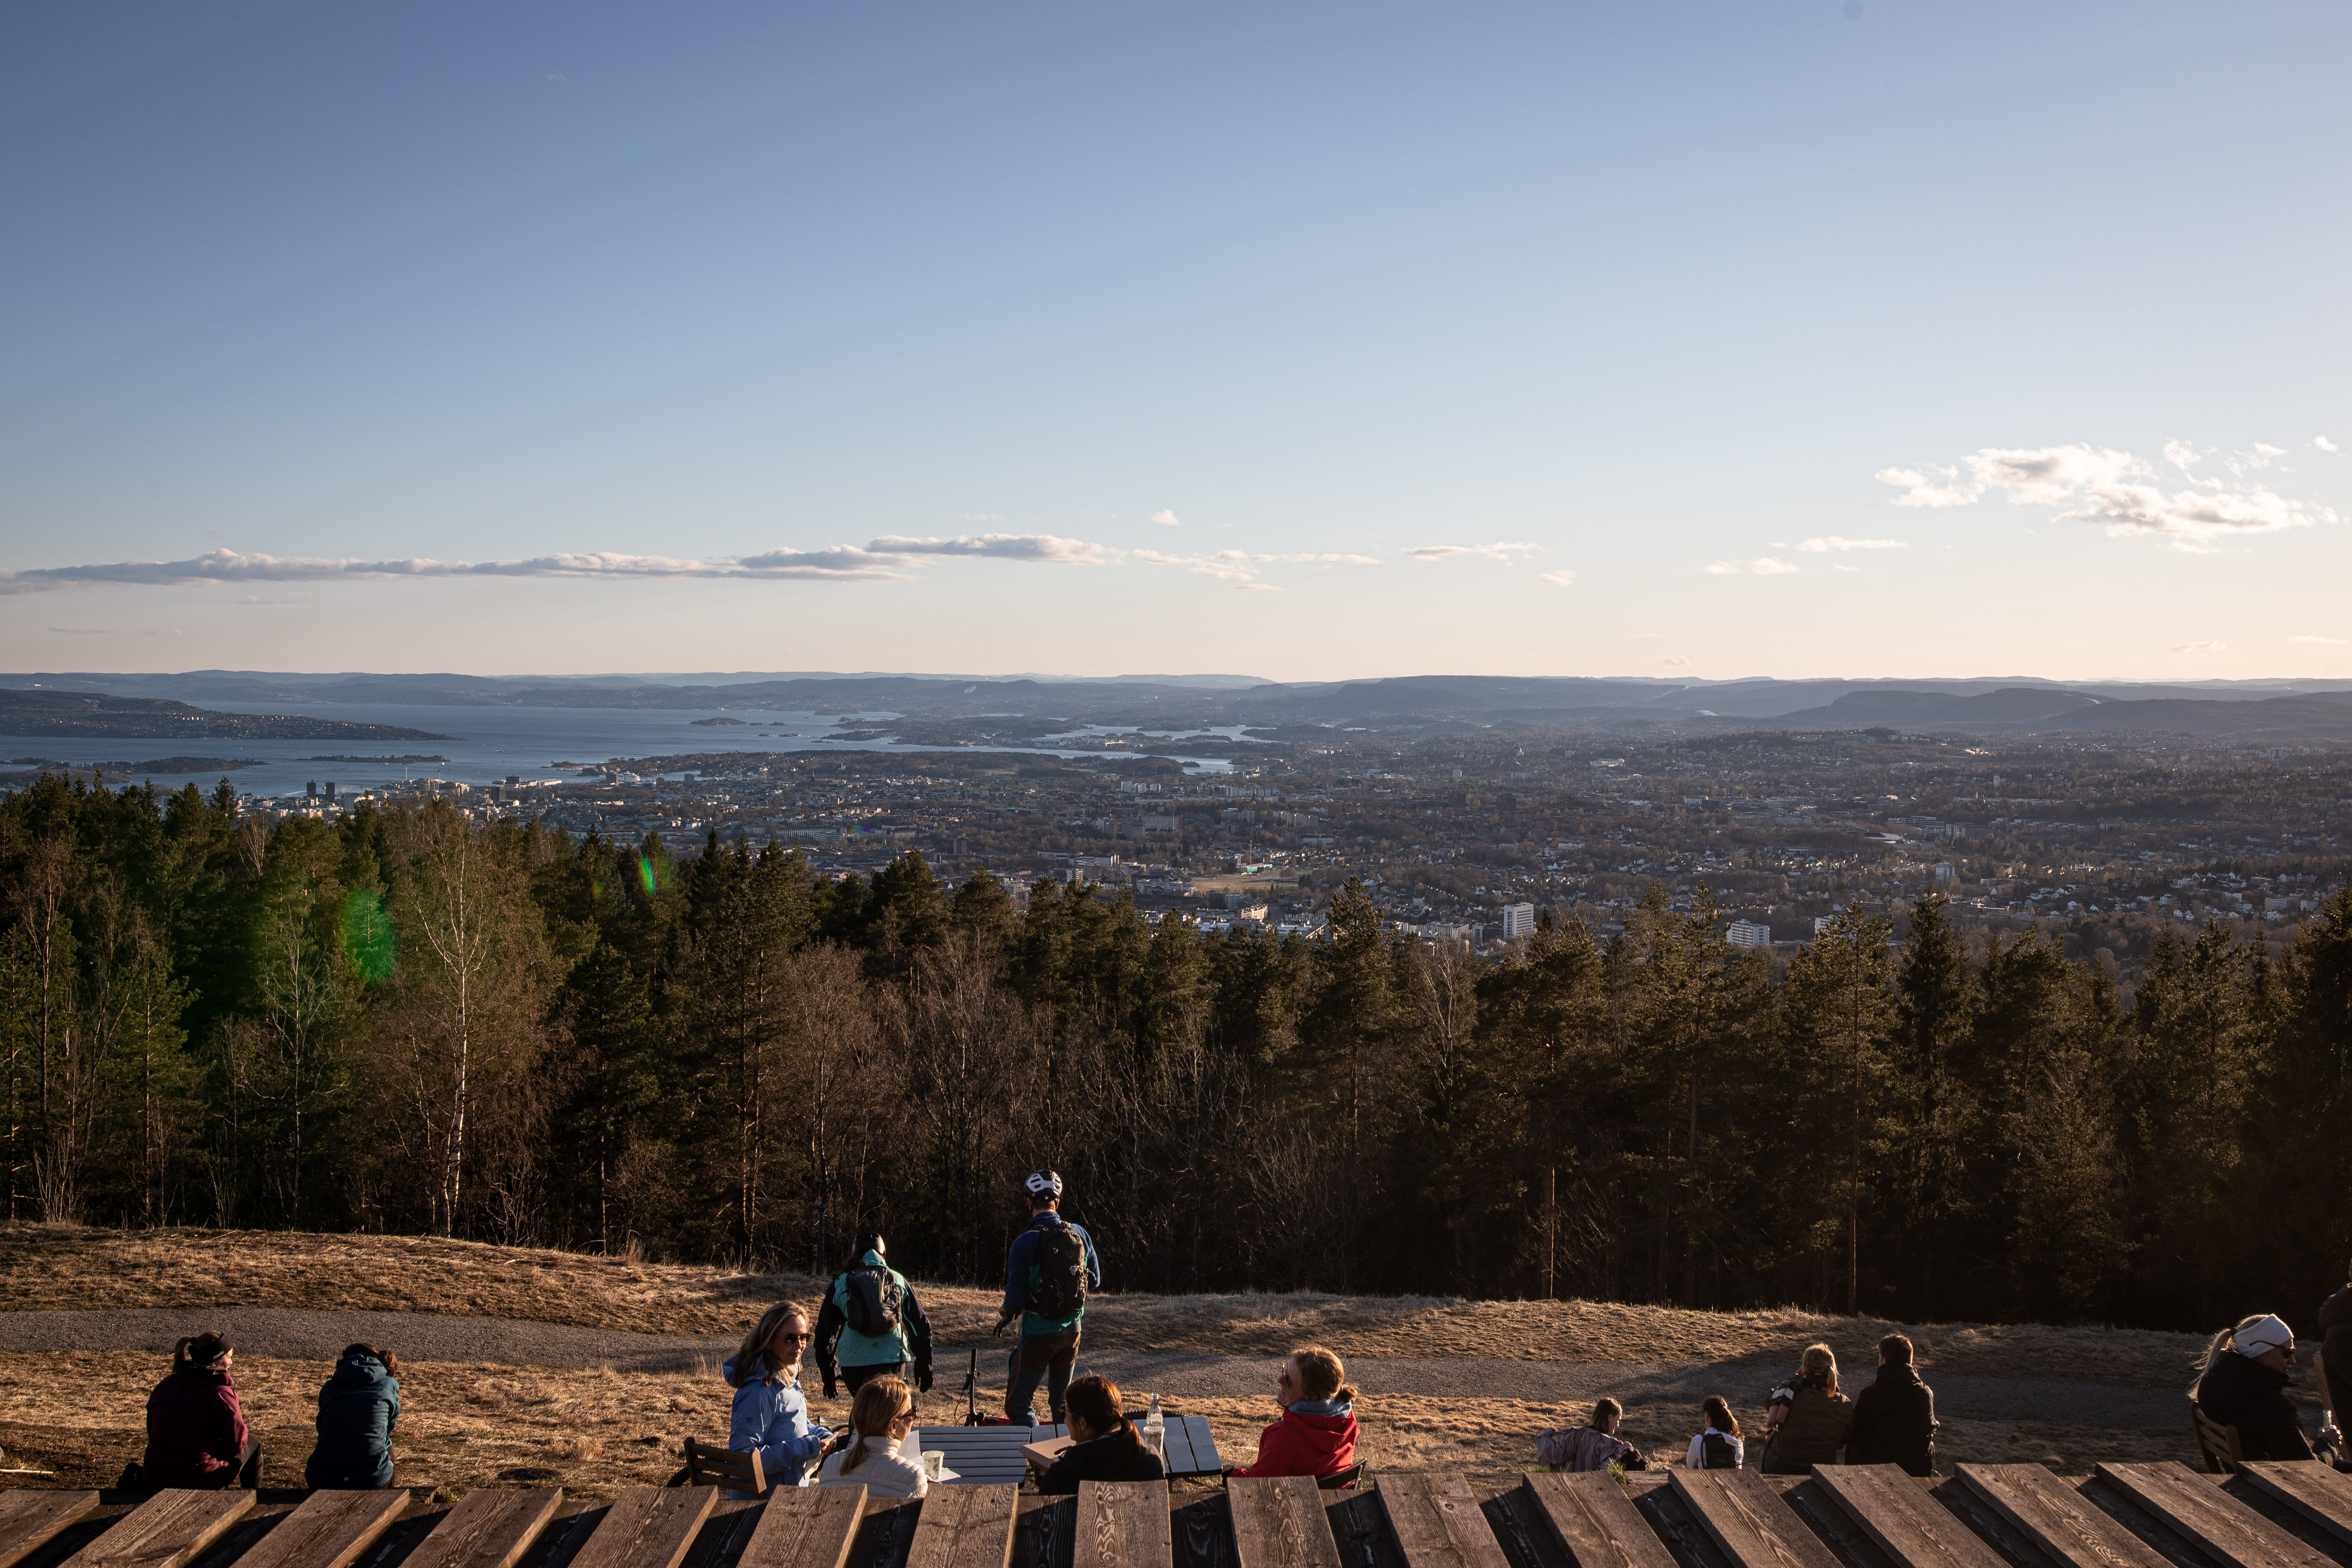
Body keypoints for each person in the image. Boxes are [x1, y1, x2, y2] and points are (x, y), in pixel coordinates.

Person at [994, 1170, 1101, 1425]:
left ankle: (1034, 1459)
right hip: (1072, 1332)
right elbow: (1095, 1280)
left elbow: (1016, 1296)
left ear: (1029, 1202)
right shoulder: (1079, 1234)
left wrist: (1007, 1313)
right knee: (1062, 1402)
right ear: (1058, 1203)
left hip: (1038, 1334)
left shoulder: (1024, 1243)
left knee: (1019, 1403)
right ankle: (1061, 1457)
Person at [724, 1302, 839, 1494]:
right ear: (769, 1341)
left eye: (804, 1337)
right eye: (790, 1339)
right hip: (762, 1505)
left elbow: (794, 1425)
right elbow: (742, 1460)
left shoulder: (787, 1376)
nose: (800, 1345)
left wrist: (822, 1435)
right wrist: (805, 1447)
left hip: (786, 1492)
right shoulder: (759, 1391)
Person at [816, 1231, 935, 1404]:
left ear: (855, 1254)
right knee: (890, 1410)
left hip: (853, 1363)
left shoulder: (841, 1281)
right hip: (892, 1359)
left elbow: (825, 1333)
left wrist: (829, 1373)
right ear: (883, 1253)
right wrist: (925, 1365)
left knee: (864, 1410)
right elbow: (919, 1325)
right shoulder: (898, 1279)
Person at [2194, 1313, 2333, 1462]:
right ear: (2259, 1352)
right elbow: (2309, 1469)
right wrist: (2328, 1443)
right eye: (2287, 1353)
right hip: (2270, 1482)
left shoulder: (2218, 1385)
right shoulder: (2271, 1406)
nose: (2293, 1361)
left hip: (2247, 1480)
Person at [139, 1332, 260, 1491]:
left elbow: (152, 1431)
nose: (231, 1362)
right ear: (216, 1361)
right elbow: (236, 1445)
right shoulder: (221, 1393)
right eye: (229, 1357)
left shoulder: (165, 1386)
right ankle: (254, 1497)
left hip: (154, 1477)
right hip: (200, 1478)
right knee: (253, 1442)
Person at [1231, 1347, 1361, 1479]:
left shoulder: (1287, 1437)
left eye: (1288, 1381)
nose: (1280, 1380)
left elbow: (1253, 1484)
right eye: (1284, 1372)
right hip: (1336, 1497)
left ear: (1311, 1397)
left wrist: (1231, 1475)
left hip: (1297, 1499)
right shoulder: (1346, 1419)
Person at [1036, 1375, 1167, 1494]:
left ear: (1083, 1423)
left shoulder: (1060, 1476)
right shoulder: (1150, 1458)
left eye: (1064, 1412)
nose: (1064, 1419)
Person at [304, 1343, 402, 1489]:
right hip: (371, 1478)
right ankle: (389, 1499)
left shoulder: (329, 1388)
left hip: (322, 1477)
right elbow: (389, 1426)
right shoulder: (389, 1384)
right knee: (385, 1445)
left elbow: (321, 1426)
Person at [816, 1374, 927, 1499]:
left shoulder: (830, 1466)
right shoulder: (912, 1478)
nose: (913, 1420)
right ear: (893, 1427)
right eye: (912, 1413)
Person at [1845, 1334, 1937, 1476]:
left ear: (1883, 1360)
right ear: (1910, 1361)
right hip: (1915, 1469)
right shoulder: (1925, 1394)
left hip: (1876, 1468)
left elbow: (1856, 1436)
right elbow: (1928, 1430)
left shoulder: (1870, 1395)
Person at [1760, 1344, 1851, 1475]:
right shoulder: (1844, 1404)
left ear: (1805, 1369)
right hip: (1821, 1474)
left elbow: (1770, 1403)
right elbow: (1842, 1442)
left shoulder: (1789, 1394)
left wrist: (1795, 1380)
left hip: (1780, 1468)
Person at [1538, 1396, 1645, 1474]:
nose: (1618, 1425)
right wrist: (1624, 1451)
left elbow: (1555, 1454)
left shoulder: (1576, 1434)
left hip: (1571, 1487)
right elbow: (1608, 1471)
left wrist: (1547, 1434)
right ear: (1610, 1417)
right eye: (1618, 1420)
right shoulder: (1609, 1445)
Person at [1684, 1396, 1744, 1470]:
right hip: (1732, 1481)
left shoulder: (1698, 1442)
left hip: (1705, 1481)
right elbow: (1738, 1467)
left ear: (1708, 1416)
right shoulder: (1737, 1441)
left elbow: (1690, 1466)